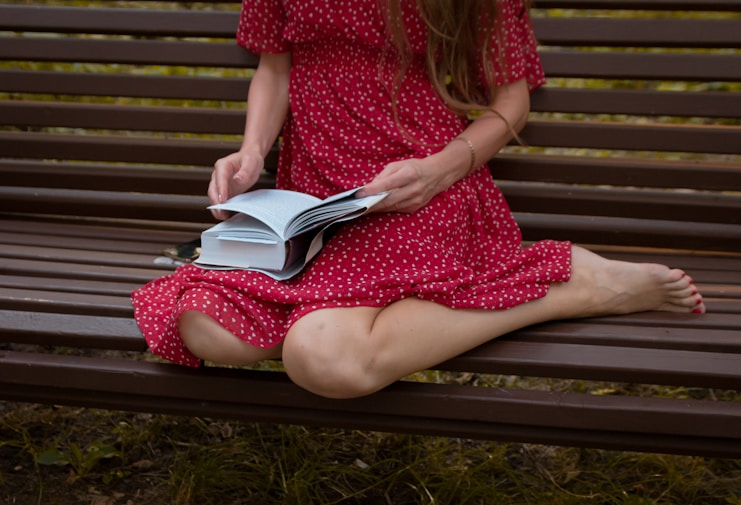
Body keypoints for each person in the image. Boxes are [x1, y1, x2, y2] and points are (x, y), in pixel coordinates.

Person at [131, 0, 705, 399]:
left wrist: (439, 170)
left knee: (325, 361)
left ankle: (568, 287)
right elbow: (274, 67)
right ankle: (328, 310)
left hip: (418, 187)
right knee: (203, 326)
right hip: (315, 200)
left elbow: (513, 100)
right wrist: (252, 153)